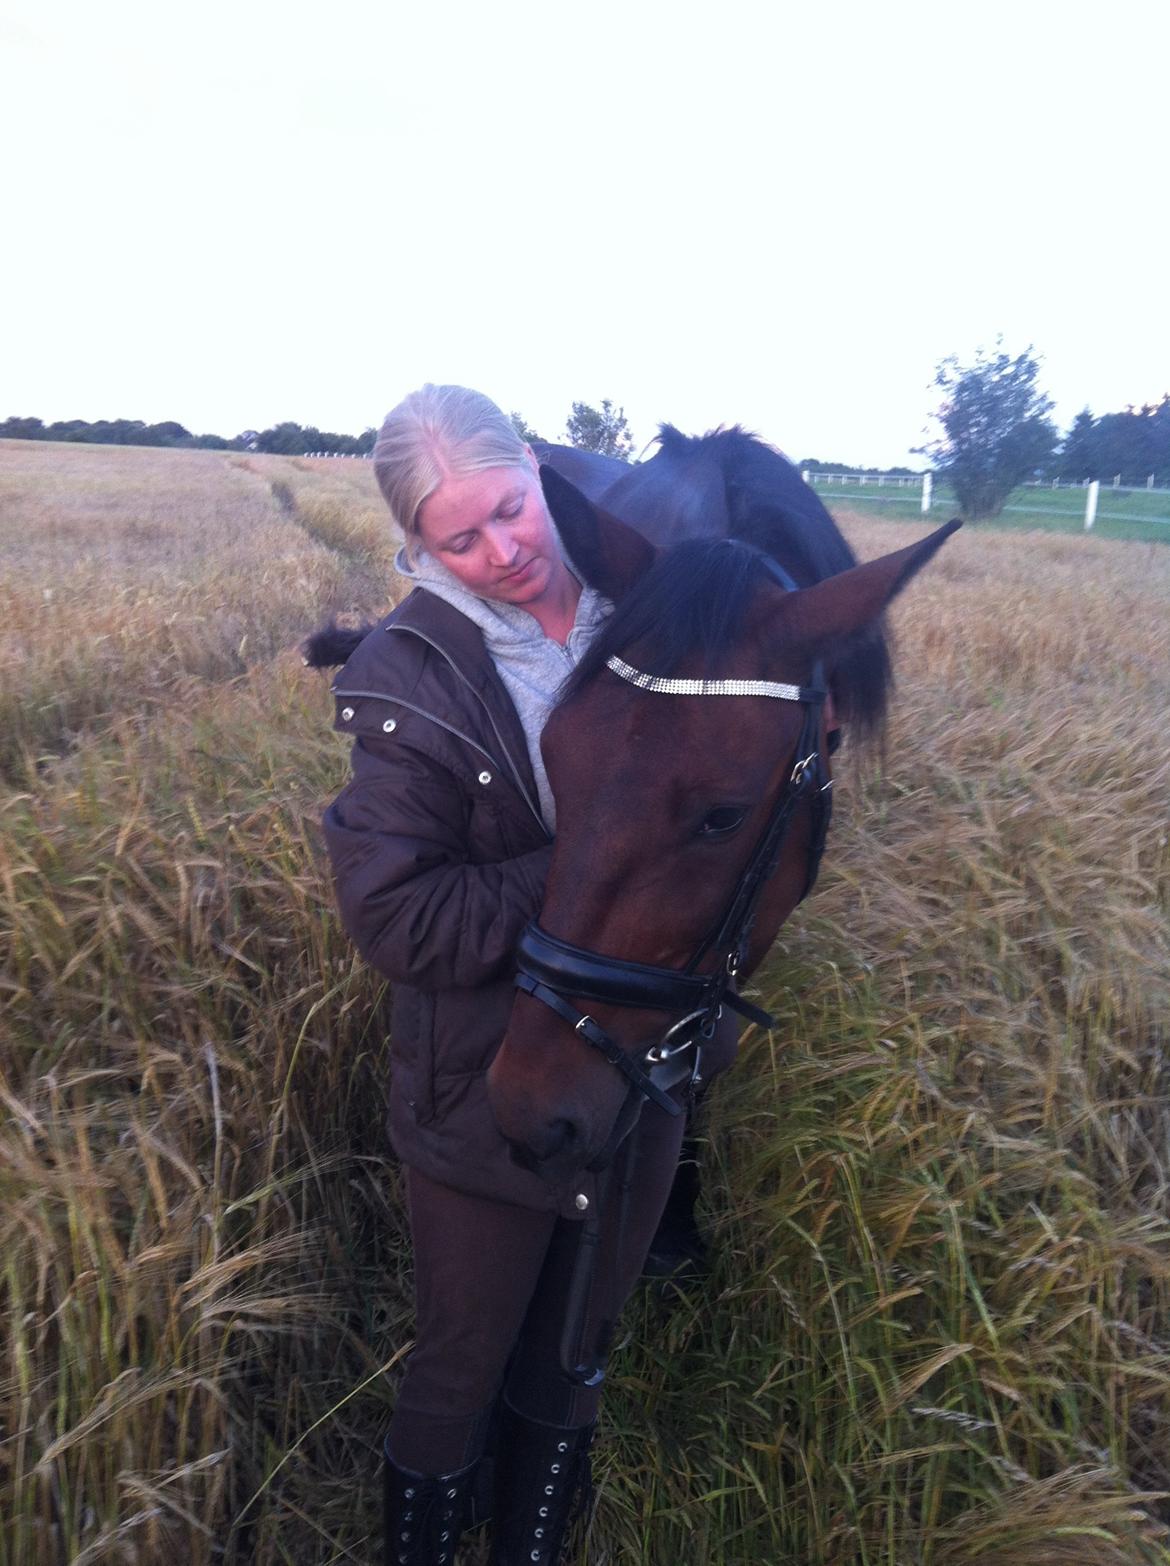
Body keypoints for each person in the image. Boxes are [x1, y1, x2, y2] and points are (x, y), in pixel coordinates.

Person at [318, 385, 733, 1566]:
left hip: (639, 1069)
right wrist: (591, 864)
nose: (503, 551)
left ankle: (534, 1544)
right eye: (461, 538)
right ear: (418, 546)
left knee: (576, 1348)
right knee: (465, 1356)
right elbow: (399, 919)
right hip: (481, 1088)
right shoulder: (412, 675)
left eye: (511, 510)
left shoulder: (648, 610)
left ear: (539, 480)